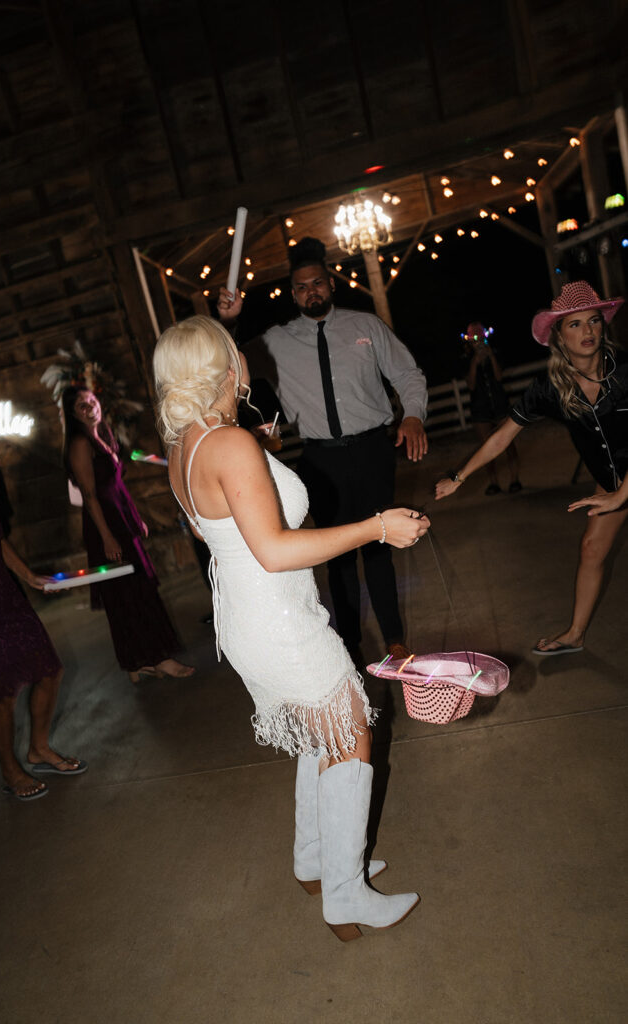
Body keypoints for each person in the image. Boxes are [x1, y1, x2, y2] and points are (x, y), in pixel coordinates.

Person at [153, 314, 428, 941]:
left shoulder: (190, 442)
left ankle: (315, 860)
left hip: (248, 620)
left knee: (316, 735)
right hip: (279, 620)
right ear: (224, 367)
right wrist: (375, 527)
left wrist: (262, 466)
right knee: (350, 737)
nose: (244, 353)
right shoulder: (230, 443)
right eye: (233, 348)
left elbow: (213, 531)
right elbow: (274, 549)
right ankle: (346, 894)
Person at [218, 236, 428, 666]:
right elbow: (227, 361)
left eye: (317, 283)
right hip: (320, 459)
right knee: (336, 556)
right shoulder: (275, 341)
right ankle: (349, 645)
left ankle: (394, 640)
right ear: (292, 294)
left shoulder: (365, 326)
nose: (311, 291)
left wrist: (413, 415)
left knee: (379, 545)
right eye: (301, 287)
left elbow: (408, 374)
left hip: (372, 450)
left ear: (330, 284)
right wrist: (229, 322)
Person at [436, 281, 627, 656]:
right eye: (574, 325)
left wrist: (621, 494)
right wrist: (459, 477)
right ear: (558, 336)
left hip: (620, 488)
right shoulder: (551, 388)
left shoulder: (625, 371)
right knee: (591, 548)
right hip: (614, 485)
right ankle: (575, 634)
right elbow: (501, 436)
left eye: (593, 321)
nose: (587, 332)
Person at [0, 429, 86, 801]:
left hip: (6, 597)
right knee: (1, 694)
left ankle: (38, 749)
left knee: (49, 670)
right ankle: (10, 771)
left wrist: (29, 576)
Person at [61, 386, 194, 682]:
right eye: (81, 406)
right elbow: (90, 495)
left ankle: (136, 662)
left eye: (91, 401)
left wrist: (135, 519)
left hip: (119, 517)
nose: (89, 408)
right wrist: (107, 536)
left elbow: (117, 485)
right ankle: (158, 658)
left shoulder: (102, 434)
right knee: (132, 592)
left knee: (133, 592)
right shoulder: (80, 444)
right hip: (104, 523)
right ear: (72, 413)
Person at [461, 322, 521, 495]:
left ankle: (514, 480)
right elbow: (471, 385)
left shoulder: (495, 352)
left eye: (479, 337)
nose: (477, 341)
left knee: (509, 444)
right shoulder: (466, 358)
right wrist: (475, 362)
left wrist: (491, 357)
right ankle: (493, 483)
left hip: (500, 404)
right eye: (474, 338)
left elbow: (499, 377)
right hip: (480, 409)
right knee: (486, 447)